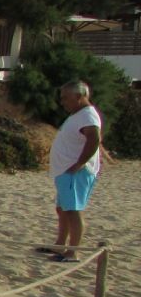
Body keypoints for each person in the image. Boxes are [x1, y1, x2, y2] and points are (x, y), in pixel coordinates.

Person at [41, 80, 103, 262]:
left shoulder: (87, 115)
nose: (62, 102)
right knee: (63, 209)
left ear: (79, 96)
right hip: (65, 171)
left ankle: (73, 251)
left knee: (73, 209)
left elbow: (94, 138)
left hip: (74, 172)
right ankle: (60, 244)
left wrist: (80, 163)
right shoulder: (79, 114)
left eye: (65, 98)